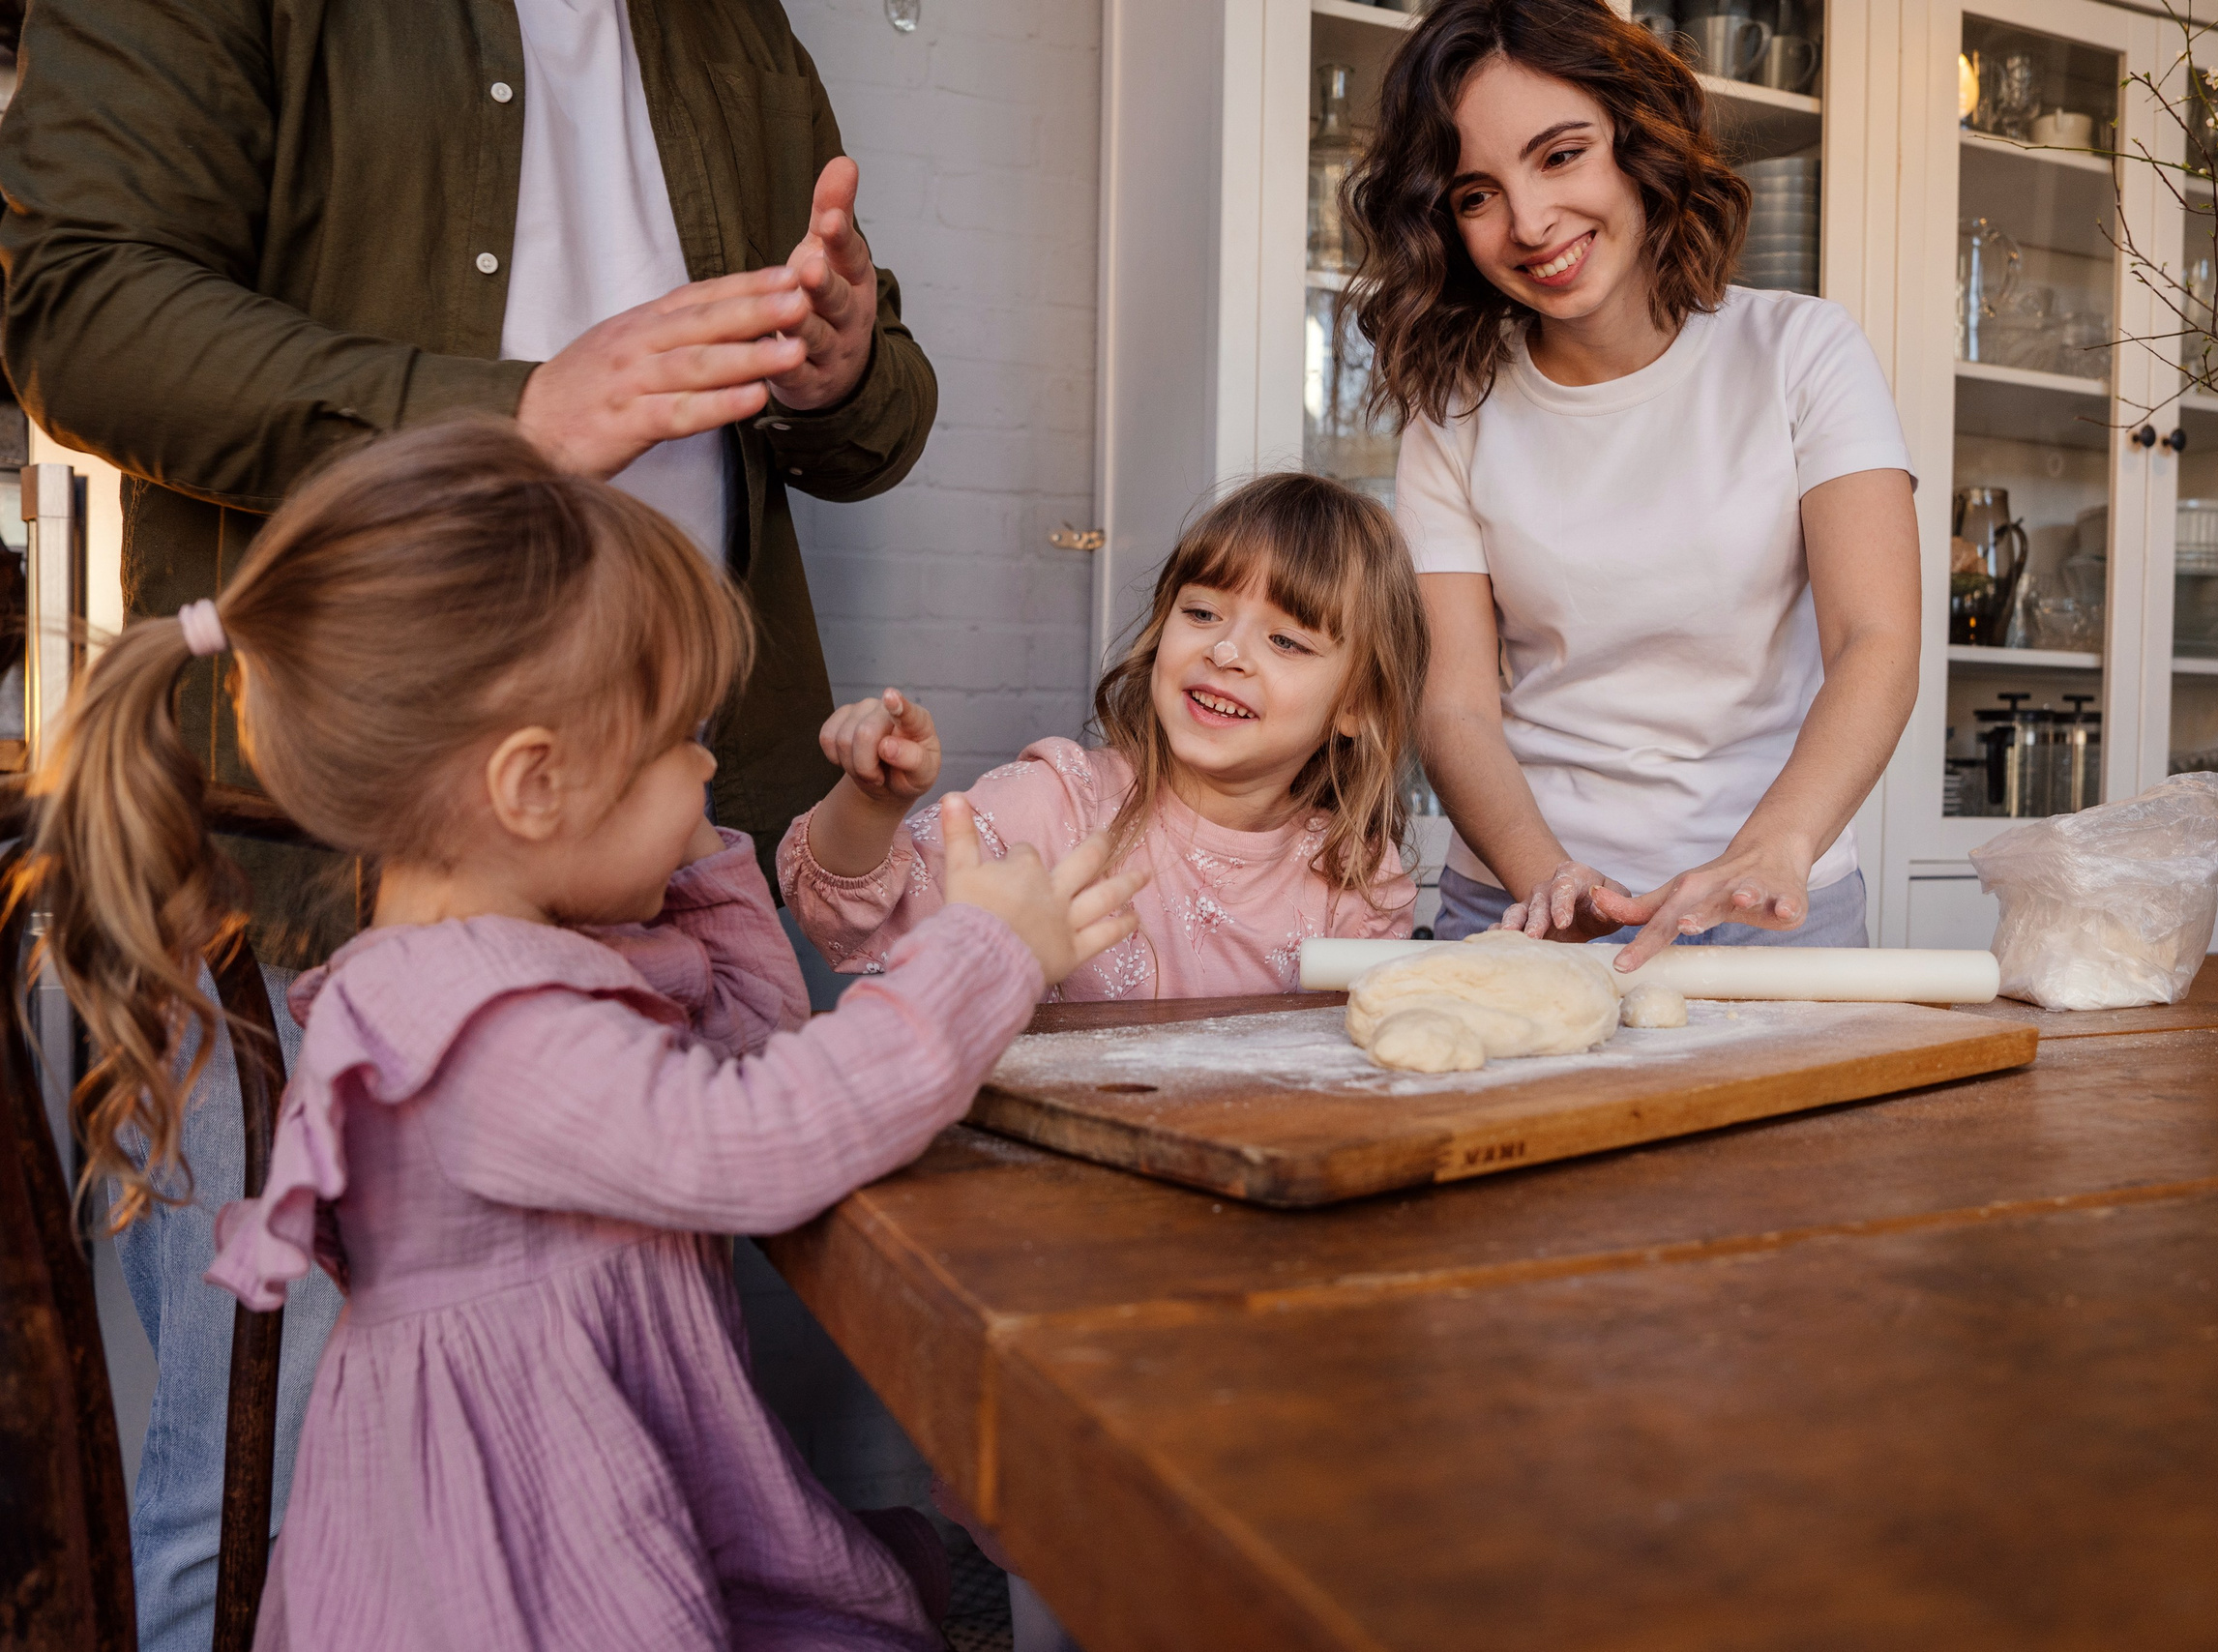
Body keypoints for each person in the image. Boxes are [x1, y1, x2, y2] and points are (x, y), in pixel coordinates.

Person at [0, 5, 934, 1639]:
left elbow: (875, 414)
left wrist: (845, 366)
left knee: (608, 1431)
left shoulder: (737, 27)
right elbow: (78, 305)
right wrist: (501, 410)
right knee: (269, 1476)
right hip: (319, 866)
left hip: (647, 855)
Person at [11, 420, 1144, 1651]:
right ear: (533, 785)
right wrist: (982, 954)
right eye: (681, 743)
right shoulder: (478, 1028)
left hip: (598, 1481)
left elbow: (753, 1039)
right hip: (519, 1567)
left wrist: (693, 854)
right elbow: (760, 1137)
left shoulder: (516, 960)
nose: (706, 768)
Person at [1348, 0, 1921, 970]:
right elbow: (1453, 709)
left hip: (1773, 896)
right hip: (1528, 895)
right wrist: (1547, 878)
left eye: (1561, 155)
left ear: (1637, 140)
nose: (1531, 223)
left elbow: (1876, 639)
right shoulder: (1454, 408)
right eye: (1476, 194)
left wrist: (1770, 850)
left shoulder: (1802, 350)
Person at [784, 473, 1428, 999]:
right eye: (1202, 612)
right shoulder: (1054, 804)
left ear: (1357, 705)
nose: (1226, 651)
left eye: (1286, 641)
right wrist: (870, 804)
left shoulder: (1355, 880)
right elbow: (839, 918)